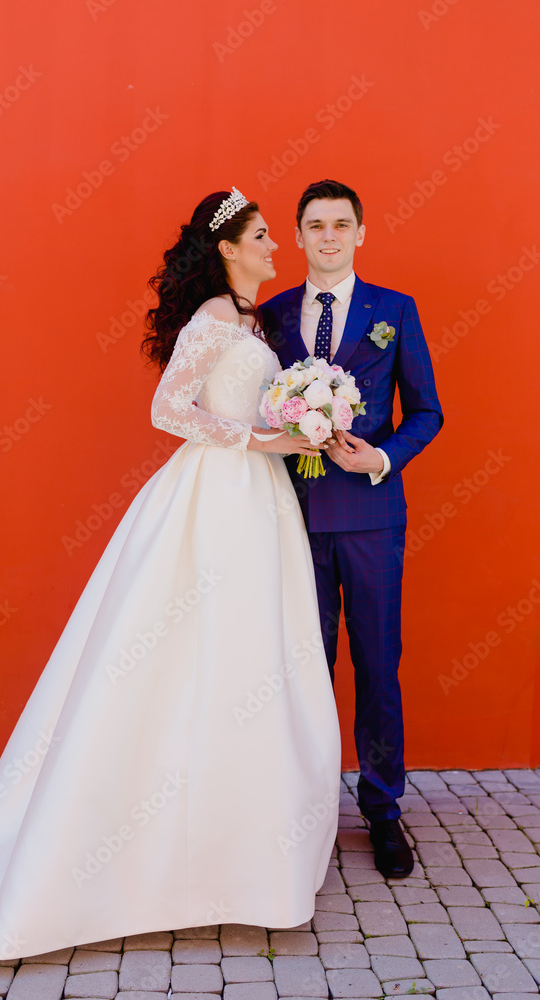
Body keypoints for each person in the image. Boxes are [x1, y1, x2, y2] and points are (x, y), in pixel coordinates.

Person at [0, 188, 342, 964]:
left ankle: (243, 850)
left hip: (257, 497)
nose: (276, 246)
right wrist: (258, 440)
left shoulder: (247, 319)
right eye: (262, 236)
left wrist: (295, 425)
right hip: (216, 495)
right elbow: (167, 410)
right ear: (228, 249)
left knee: (250, 654)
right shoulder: (213, 318)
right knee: (197, 648)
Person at [261, 179, 443, 878]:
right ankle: (299, 805)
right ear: (298, 236)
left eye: (341, 224)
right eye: (316, 225)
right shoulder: (272, 316)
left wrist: (382, 457)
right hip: (291, 516)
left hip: (370, 516)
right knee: (299, 666)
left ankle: (382, 808)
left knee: (375, 664)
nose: (329, 236)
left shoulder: (394, 311)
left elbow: (426, 411)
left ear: (360, 233)